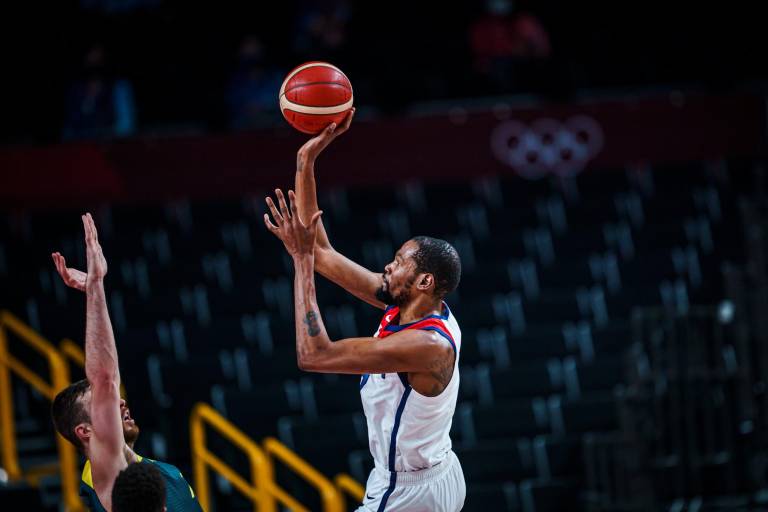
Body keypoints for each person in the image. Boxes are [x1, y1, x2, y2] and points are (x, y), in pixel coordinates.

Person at [263, 109, 466, 511]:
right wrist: (306, 162)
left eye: (399, 260)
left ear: (424, 281)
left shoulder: (428, 346)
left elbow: (314, 355)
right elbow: (322, 252)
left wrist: (299, 263)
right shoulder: (408, 303)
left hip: (410, 491)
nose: (388, 266)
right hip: (431, 472)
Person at [50, 214, 202, 512]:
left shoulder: (159, 472)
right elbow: (105, 376)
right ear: (86, 432)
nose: (118, 401)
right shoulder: (107, 475)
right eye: (103, 404)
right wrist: (96, 287)